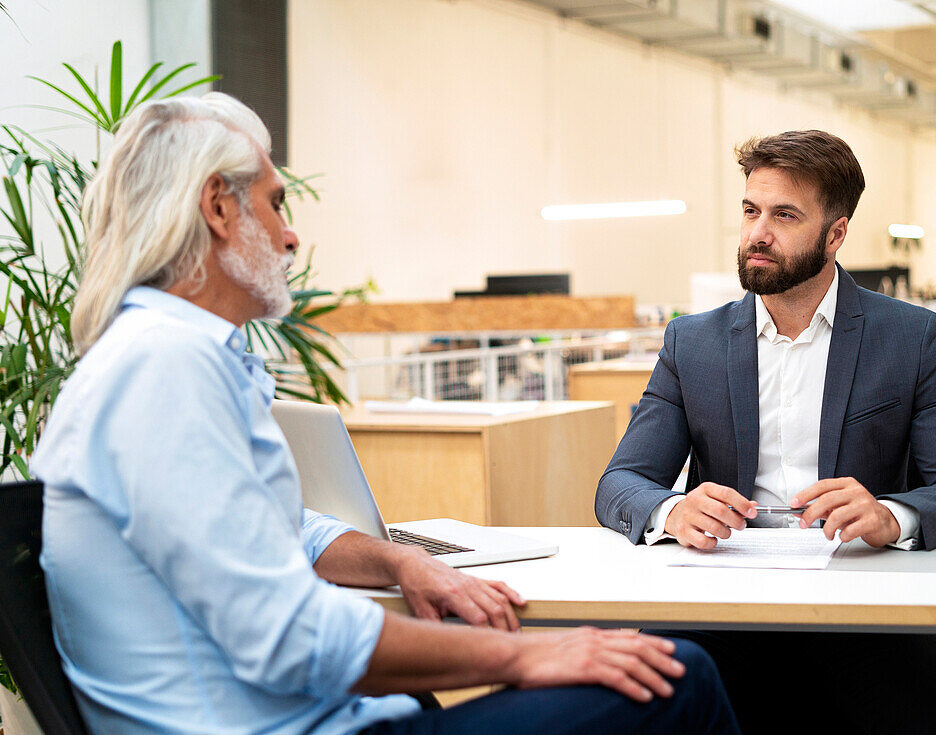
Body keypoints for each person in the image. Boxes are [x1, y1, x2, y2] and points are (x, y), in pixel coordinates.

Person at [30, 93, 740, 735]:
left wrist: (400, 560)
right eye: (277, 205)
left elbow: (272, 531)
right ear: (218, 208)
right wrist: (529, 654)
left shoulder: (158, 357)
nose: (290, 237)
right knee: (680, 675)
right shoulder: (165, 370)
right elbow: (291, 636)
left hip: (314, 715)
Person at [595, 129, 936, 735]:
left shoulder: (908, 337)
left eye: (784, 215)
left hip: (861, 599)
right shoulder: (693, 343)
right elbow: (621, 483)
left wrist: (894, 515)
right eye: (750, 210)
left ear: (836, 234)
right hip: (723, 601)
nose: (758, 233)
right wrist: (671, 511)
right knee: (640, 711)